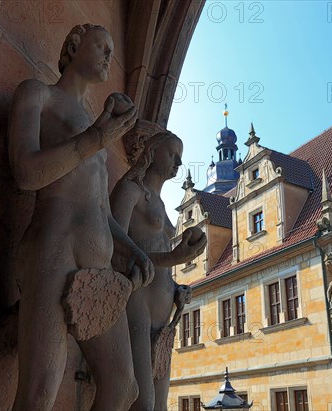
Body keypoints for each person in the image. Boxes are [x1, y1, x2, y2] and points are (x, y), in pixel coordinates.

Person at [8, 24, 151, 410]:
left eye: (111, 49)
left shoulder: (96, 122)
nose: (109, 55)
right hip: (54, 250)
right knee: (39, 392)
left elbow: (100, 209)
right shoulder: (38, 95)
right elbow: (25, 173)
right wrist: (95, 140)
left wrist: (132, 247)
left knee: (124, 387)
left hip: (99, 263)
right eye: (101, 46)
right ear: (73, 46)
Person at [110, 125, 206, 410]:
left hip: (164, 312)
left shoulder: (164, 207)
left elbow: (164, 262)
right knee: (143, 401)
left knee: (161, 404)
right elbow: (113, 245)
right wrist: (174, 258)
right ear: (152, 152)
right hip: (136, 299)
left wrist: (178, 288)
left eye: (181, 156)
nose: (179, 162)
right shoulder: (131, 190)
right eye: (174, 153)